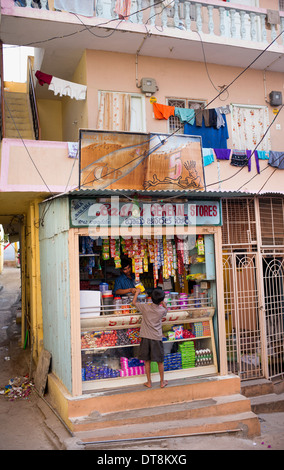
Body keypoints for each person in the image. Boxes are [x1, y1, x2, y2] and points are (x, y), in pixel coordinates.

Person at [133, 288, 168, 388]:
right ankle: (162, 382)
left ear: (151, 298)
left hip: (145, 337)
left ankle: (149, 382)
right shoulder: (161, 310)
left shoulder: (145, 307)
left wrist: (137, 293)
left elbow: (134, 302)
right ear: (161, 300)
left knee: (147, 361)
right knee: (160, 361)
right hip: (156, 338)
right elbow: (166, 310)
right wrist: (164, 304)